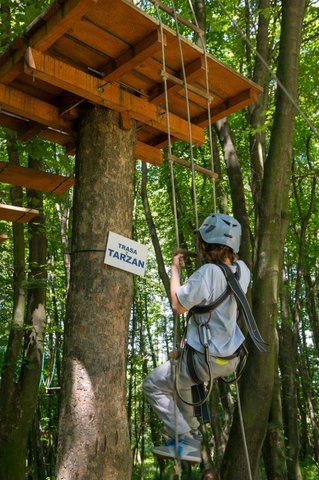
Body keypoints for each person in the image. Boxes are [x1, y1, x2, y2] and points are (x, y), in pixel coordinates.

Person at [143, 213, 250, 463]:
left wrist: (174, 269)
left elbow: (178, 305)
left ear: (206, 244)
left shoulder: (208, 273)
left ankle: (187, 439)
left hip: (205, 360)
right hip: (230, 359)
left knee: (153, 384)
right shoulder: (242, 270)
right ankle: (191, 430)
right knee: (180, 380)